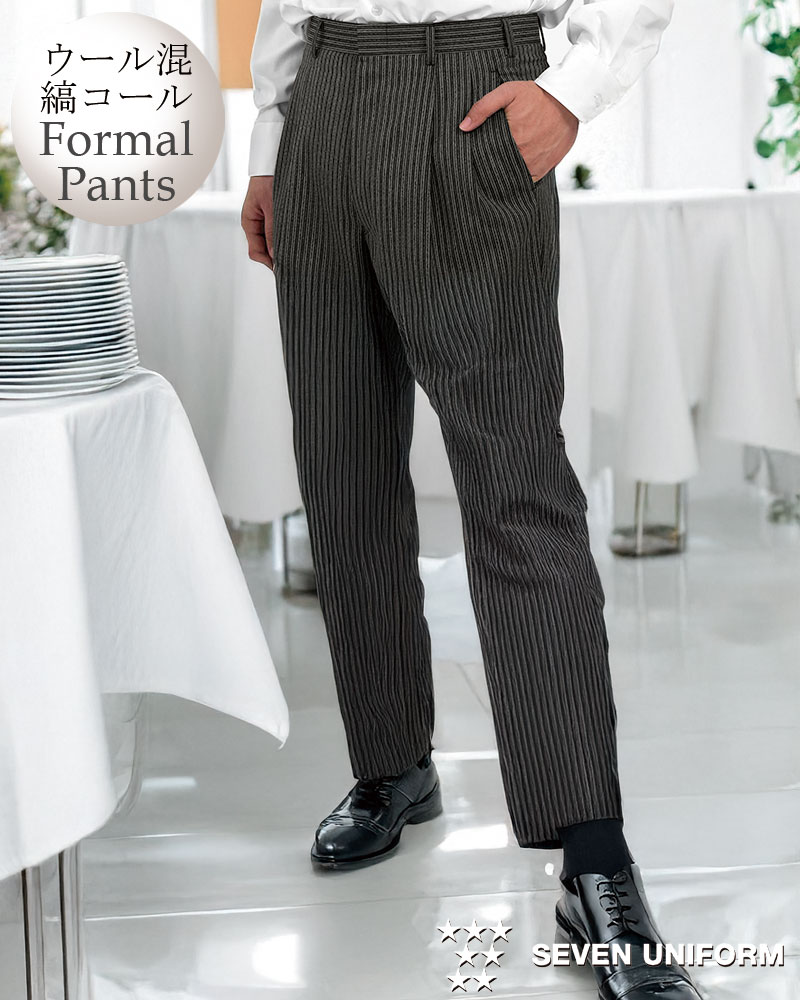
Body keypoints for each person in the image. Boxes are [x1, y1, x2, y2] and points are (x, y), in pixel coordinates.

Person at [242, 3, 703, 998]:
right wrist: (271, 141)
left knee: (516, 484)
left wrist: (569, 93)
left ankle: (592, 855)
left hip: (469, 93)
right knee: (341, 464)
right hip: (323, 100)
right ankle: (391, 765)